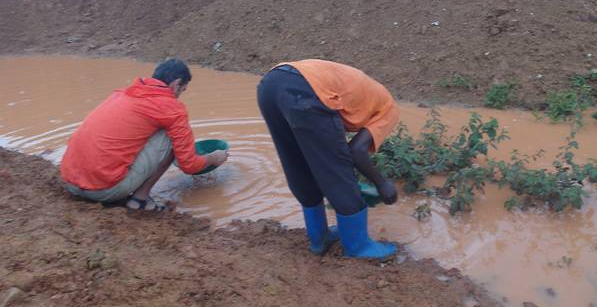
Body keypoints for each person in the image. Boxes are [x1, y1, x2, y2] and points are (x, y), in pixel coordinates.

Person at [257, 59, 399, 259]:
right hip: (306, 91)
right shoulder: (389, 109)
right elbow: (356, 151)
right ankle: (358, 247)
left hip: (271, 85)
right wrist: (382, 183)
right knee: (338, 174)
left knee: (298, 164)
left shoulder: (365, 94)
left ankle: (319, 238)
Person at [60, 58, 228, 211]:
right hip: (103, 191)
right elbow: (189, 165)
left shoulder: (122, 94)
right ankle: (139, 200)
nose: (178, 97)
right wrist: (213, 158)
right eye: (182, 90)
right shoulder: (170, 108)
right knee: (170, 136)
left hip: (71, 182)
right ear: (176, 85)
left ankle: (120, 187)